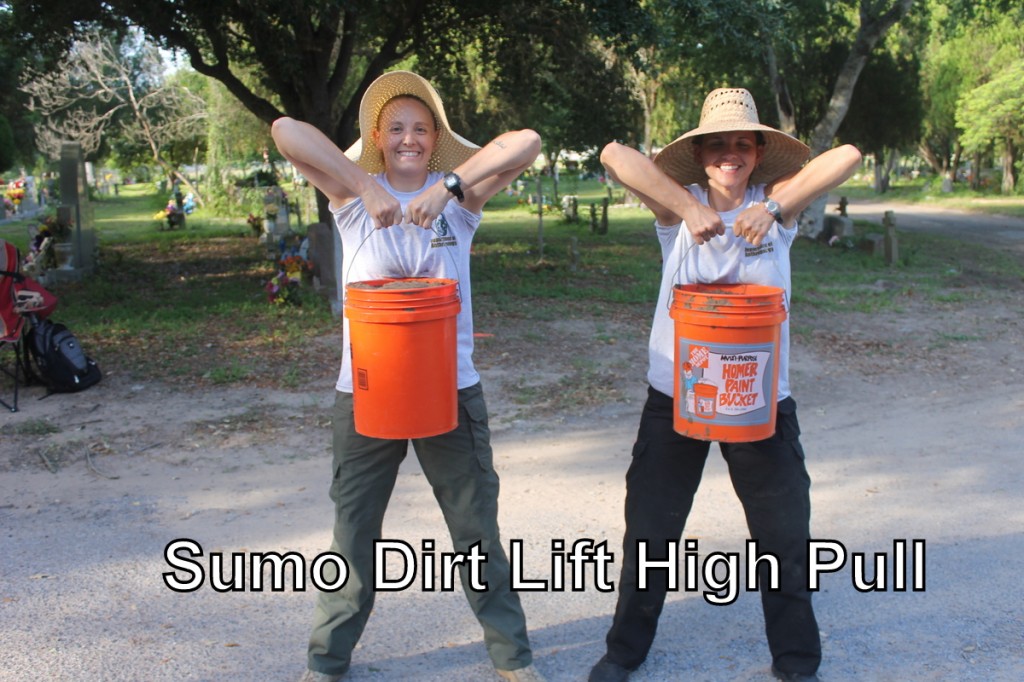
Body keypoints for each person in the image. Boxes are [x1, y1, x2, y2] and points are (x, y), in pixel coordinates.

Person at [271, 71, 545, 682]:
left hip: (450, 391)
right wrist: (363, 185)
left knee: (476, 529)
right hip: (365, 395)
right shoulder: (349, 201)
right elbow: (285, 130)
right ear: (378, 137)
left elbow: (527, 141)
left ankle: (513, 658)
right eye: (395, 128)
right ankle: (326, 661)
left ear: (436, 139)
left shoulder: (463, 201)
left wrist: (449, 186)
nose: (409, 139)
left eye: (421, 129)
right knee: (354, 534)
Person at [589, 88, 862, 682]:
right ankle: (624, 652)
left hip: (760, 399)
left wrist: (780, 202)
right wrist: (686, 211)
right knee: (651, 530)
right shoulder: (676, 208)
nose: (730, 154)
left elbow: (849, 154)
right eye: (718, 144)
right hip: (676, 394)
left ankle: (796, 663)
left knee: (784, 535)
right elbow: (614, 154)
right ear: (701, 152)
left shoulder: (775, 211)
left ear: (758, 153)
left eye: (742, 143)